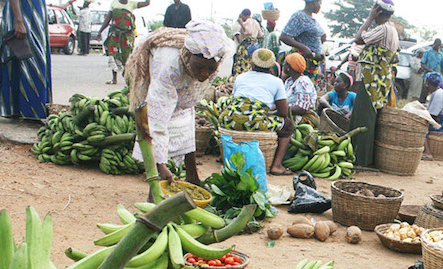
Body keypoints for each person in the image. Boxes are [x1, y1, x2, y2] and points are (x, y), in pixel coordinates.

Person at [126, 21, 231, 185]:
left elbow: (186, 103)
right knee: (160, 120)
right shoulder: (168, 66)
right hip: (155, 71)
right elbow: (156, 120)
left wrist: (202, 71)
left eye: (210, 69)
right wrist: (160, 165)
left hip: (179, 79)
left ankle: (192, 176)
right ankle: (154, 185)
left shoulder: (212, 59)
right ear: (188, 57)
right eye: (199, 67)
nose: (204, 74)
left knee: (186, 118)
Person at [220, 48, 295, 176]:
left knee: (237, 119)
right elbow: (283, 112)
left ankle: (223, 155)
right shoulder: (276, 82)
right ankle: (276, 165)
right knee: (287, 125)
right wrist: (267, 113)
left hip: (229, 118)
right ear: (272, 66)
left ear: (252, 63)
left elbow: (236, 100)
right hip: (254, 121)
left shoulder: (241, 77)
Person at [0, 0, 52, 120]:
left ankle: (30, 111)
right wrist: (19, 20)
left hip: (35, 15)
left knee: (33, 59)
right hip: (22, 14)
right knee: (21, 57)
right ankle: (20, 110)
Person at [354, 0, 400, 110]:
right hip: (378, 79)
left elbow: (358, 38)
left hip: (371, 80)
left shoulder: (383, 29)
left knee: (364, 113)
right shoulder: (392, 29)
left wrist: (370, 18)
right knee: (370, 112)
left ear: (377, 12)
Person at [98, 0, 150, 85]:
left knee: (127, 56)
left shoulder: (132, 4)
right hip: (115, 34)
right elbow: (108, 18)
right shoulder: (114, 3)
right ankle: (114, 79)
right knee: (114, 55)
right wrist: (100, 31)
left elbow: (147, 3)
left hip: (127, 35)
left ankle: (129, 79)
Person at [281, 0, 326, 86]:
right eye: (319, 3)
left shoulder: (311, 18)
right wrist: (304, 48)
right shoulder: (299, 17)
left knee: (309, 91)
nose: (320, 6)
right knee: (300, 89)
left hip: (312, 63)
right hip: (303, 62)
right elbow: (284, 36)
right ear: (312, 3)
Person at [283, 53, 318, 122]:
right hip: (290, 114)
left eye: (285, 63)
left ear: (288, 68)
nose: (283, 65)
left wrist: (282, 110)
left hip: (304, 117)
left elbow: (301, 109)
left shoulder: (303, 82)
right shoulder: (289, 81)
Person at [232, 9, 263, 76]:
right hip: (254, 46)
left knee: (242, 68)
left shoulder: (245, 22)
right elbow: (260, 35)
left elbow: (247, 32)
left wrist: (241, 24)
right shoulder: (255, 22)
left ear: (244, 15)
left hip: (245, 48)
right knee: (251, 66)